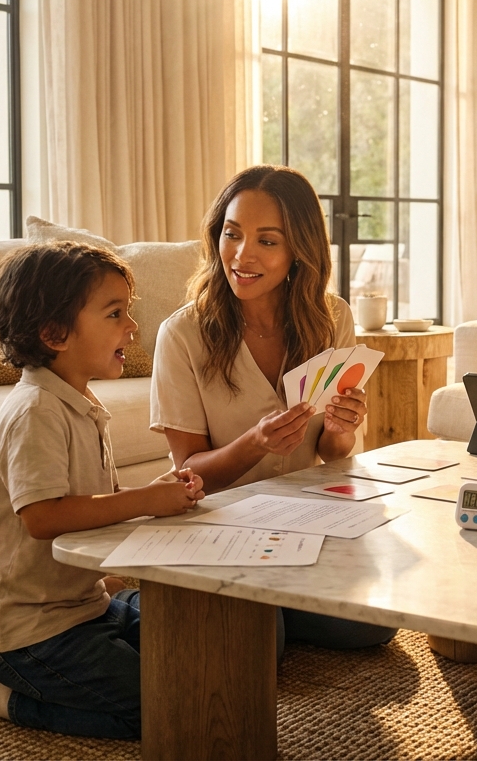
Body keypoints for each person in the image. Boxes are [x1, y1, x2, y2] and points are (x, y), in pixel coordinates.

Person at [0, 242, 205, 738]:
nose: (131, 326)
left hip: (83, 609)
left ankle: (36, 679)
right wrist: (144, 502)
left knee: (197, 658)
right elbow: (44, 517)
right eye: (115, 313)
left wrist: (151, 493)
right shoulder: (35, 411)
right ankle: (7, 695)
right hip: (26, 631)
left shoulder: (78, 401)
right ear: (54, 333)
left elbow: (94, 503)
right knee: (167, 707)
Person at [151, 165, 395, 651]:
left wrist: (344, 430)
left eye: (267, 241)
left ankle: (260, 600)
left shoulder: (333, 318)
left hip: (305, 515)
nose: (242, 255)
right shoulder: (181, 335)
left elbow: (333, 453)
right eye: (232, 234)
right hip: (223, 518)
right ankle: (217, 600)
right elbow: (187, 474)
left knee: (373, 627)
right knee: (263, 646)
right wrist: (253, 444)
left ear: (298, 250)